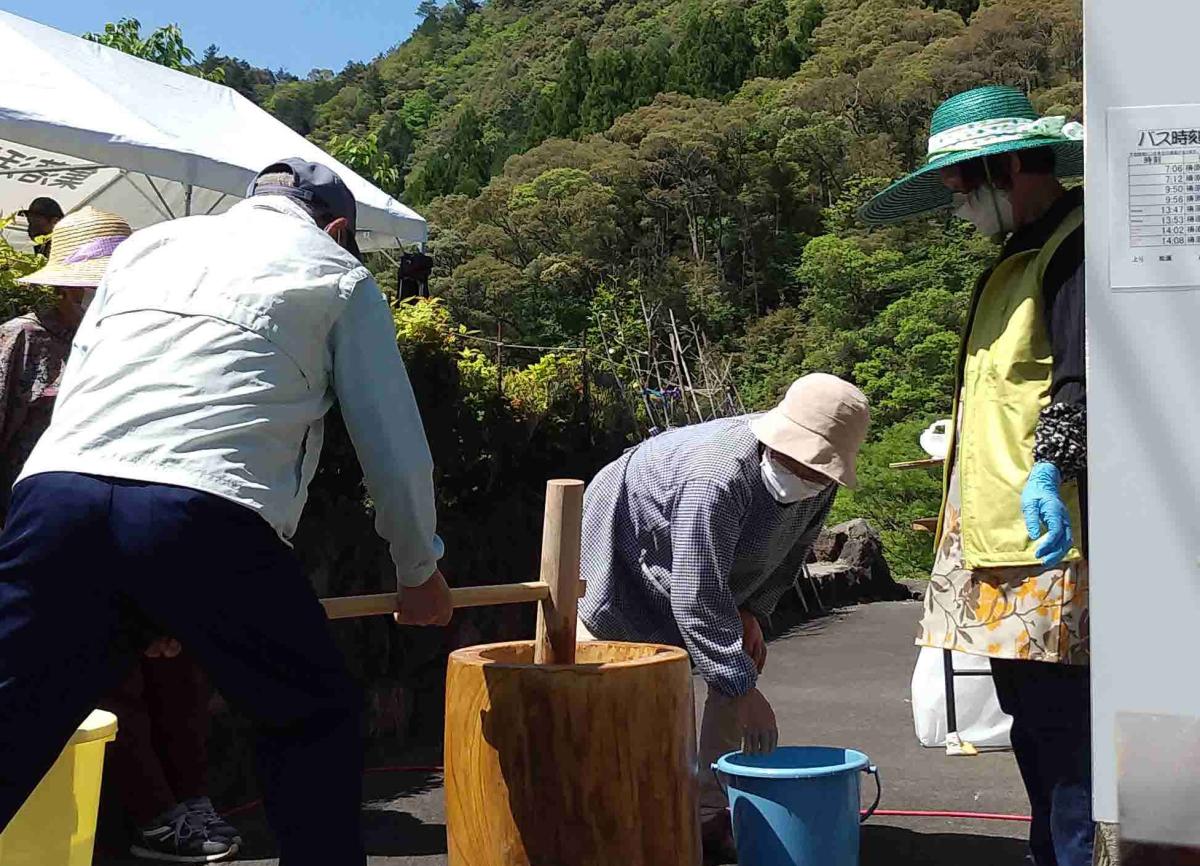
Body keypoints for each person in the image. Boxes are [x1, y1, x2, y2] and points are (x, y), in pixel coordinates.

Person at [0, 159, 452, 866]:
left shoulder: (149, 246)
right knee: (311, 716)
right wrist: (420, 571)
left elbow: (82, 381)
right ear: (338, 228)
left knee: (13, 720)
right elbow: (391, 444)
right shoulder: (337, 273)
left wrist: (142, 602)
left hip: (56, 494)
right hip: (203, 507)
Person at [861, 85, 1091, 866]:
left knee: (1067, 731)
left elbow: (1080, 379)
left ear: (1011, 167)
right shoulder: (1015, 255)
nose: (958, 200)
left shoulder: (1075, 249)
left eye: (962, 183)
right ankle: (1047, 853)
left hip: (1050, 538)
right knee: (1029, 723)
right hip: (992, 538)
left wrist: (1051, 465)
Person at [577, 373, 870, 864]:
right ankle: (609, 818)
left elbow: (791, 553)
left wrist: (752, 610)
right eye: (795, 459)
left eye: (817, 468)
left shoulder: (819, 485)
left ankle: (710, 811)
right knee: (618, 678)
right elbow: (695, 594)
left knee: (741, 656)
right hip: (626, 534)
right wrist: (744, 691)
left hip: (706, 560)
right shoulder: (717, 476)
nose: (804, 472)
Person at [0, 206, 129, 524]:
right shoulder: (23, 338)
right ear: (67, 288)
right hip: (21, 516)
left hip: (95, 516)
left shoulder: (124, 341)